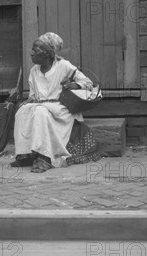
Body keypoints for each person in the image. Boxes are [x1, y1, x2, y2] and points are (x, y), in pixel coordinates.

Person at [11, 32, 101, 172]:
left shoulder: (63, 66)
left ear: (48, 53)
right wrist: (27, 102)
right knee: (21, 112)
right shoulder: (34, 71)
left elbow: (88, 83)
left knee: (40, 112)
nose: (31, 53)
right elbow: (33, 96)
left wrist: (74, 85)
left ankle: (44, 158)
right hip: (41, 105)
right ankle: (26, 155)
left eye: (36, 50)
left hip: (59, 107)